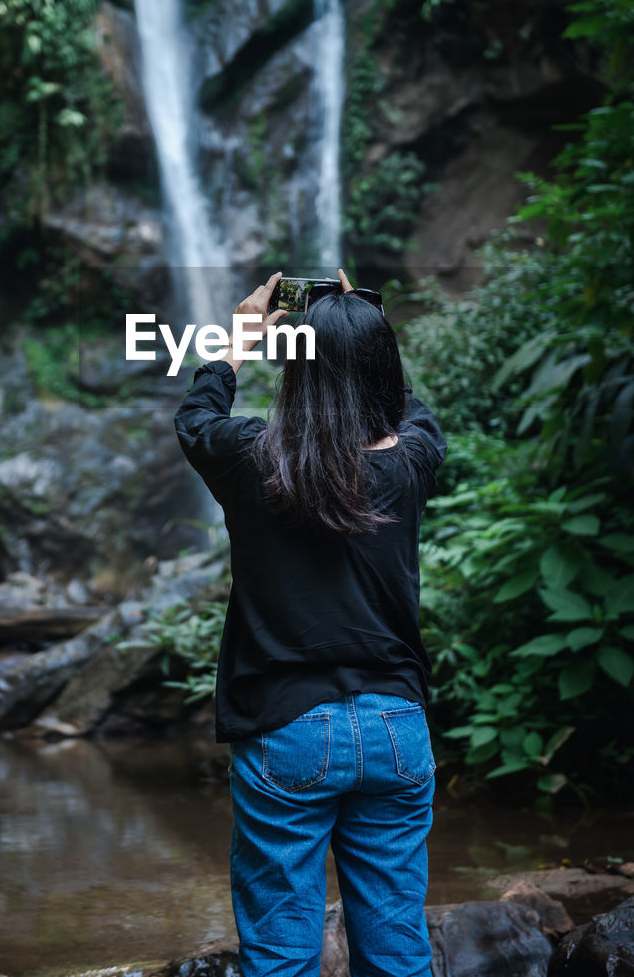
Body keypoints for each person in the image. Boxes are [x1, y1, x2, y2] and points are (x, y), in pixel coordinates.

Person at [174, 269, 447, 977]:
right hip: (396, 729)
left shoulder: (249, 457)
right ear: (381, 364)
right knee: (396, 945)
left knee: (281, 951)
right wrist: (363, 323)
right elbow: (408, 407)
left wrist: (239, 338)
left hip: (286, 730)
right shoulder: (414, 459)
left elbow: (196, 420)